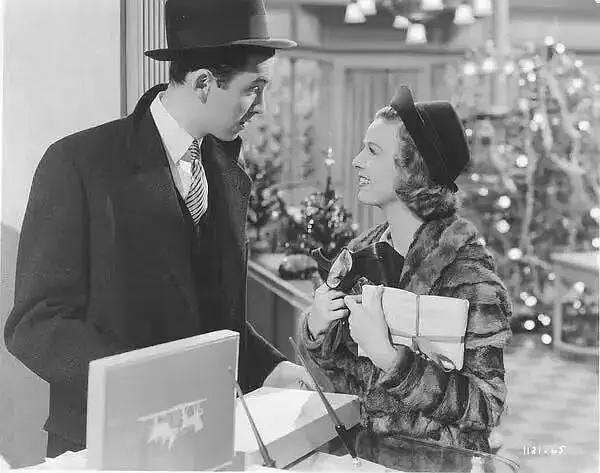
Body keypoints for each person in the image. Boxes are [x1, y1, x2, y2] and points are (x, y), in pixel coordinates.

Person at [4, 0, 311, 458]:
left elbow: (214, 320)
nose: (261, 108)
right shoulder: (79, 164)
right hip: (104, 443)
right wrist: (145, 386)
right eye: (254, 89)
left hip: (201, 439)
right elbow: (35, 324)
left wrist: (271, 370)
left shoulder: (225, 171)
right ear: (203, 83)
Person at [300, 86, 512, 471]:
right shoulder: (358, 256)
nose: (356, 161)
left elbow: (486, 406)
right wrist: (316, 327)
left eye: (373, 151)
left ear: (413, 169)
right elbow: (341, 375)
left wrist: (390, 358)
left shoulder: (466, 275)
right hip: (364, 460)